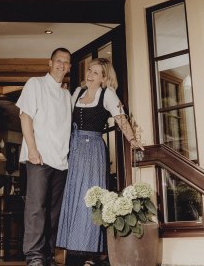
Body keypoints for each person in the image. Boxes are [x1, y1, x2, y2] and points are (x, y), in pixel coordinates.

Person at [56, 58, 143, 265]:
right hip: (74, 149)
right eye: (89, 70)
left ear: (104, 77)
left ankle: (88, 254)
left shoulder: (108, 94)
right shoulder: (77, 92)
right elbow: (62, 119)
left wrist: (132, 140)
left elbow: (121, 119)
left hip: (93, 150)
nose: (90, 75)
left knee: (89, 201)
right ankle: (74, 251)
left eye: (96, 73)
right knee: (73, 199)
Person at [16, 47, 72, 266]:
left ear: (69, 67)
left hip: (61, 161)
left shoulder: (66, 94)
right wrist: (32, 149)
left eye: (66, 62)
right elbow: (25, 116)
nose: (62, 65)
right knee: (36, 208)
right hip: (39, 157)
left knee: (54, 213)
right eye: (58, 60)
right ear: (50, 63)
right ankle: (34, 257)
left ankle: (47, 255)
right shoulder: (35, 84)